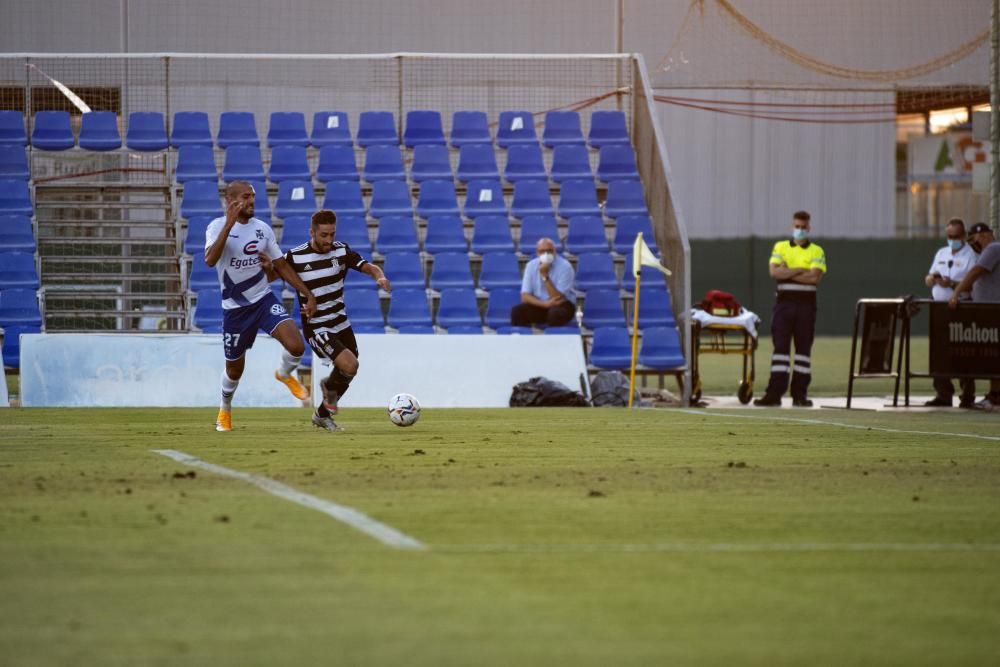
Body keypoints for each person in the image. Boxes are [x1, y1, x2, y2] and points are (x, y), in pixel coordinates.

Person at [204, 180, 317, 432]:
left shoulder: (262, 229)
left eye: (253, 197)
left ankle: (284, 374)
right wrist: (229, 224)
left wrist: (306, 292)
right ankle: (225, 409)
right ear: (230, 200)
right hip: (235, 308)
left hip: (263, 300)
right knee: (234, 370)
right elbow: (210, 260)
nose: (252, 201)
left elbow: (282, 265)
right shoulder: (216, 227)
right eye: (246, 196)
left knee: (297, 346)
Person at [264, 209, 391, 432]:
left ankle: (322, 414)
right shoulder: (295, 256)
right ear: (311, 232)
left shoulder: (340, 251)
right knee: (349, 364)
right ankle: (328, 391)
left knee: (350, 370)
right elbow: (272, 275)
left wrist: (379, 276)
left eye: (332, 234)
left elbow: (369, 266)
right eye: (324, 235)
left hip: (341, 322)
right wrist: (265, 269)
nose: (329, 240)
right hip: (317, 326)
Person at [754, 210, 827, 408]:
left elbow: (814, 277)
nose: (800, 230)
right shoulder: (781, 247)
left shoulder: (817, 251)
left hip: (806, 306)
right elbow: (774, 272)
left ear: (809, 228)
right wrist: (801, 270)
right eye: (797, 226)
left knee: (803, 351)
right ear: (792, 226)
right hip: (784, 306)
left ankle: (799, 395)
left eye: (803, 227)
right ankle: (774, 394)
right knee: (780, 351)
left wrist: (787, 272)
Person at [924, 218, 978, 407]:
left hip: (960, 308)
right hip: (939, 308)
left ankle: (968, 394)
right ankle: (943, 393)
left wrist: (952, 284)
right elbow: (928, 278)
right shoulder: (941, 252)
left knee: (962, 352)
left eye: (955, 236)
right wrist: (933, 279)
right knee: (939, 352)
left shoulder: (970, 256)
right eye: (949, 236)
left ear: (963, 236)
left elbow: (973, 285)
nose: (952, 240)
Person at [948, 222, 1000, 411]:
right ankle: (995, 395)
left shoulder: (993, 248)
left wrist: (956, 293)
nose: (973, 243)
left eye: (975, 239)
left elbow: (975, 272)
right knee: (993, 356)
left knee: (994, 356)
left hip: (993, 312)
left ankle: (995, 396)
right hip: (989, 311)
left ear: (985, 235)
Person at [511, 237, 576, 328]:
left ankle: (553, 340)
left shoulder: (565, 267)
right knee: (517, 311)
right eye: (542, 251)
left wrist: (544, 275)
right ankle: (522, 339)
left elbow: (557, 298)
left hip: (562, 304)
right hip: (540, 303)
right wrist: (545, 305)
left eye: (549, 251)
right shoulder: (531, 266)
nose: (546, 254)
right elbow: (525, 296)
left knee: (555, 314)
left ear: (554, 251)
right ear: (537, 253)